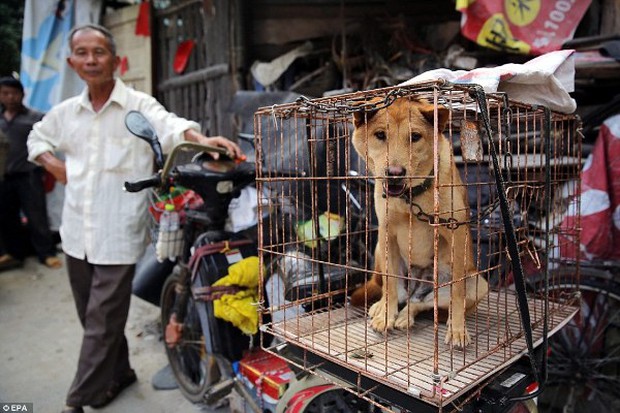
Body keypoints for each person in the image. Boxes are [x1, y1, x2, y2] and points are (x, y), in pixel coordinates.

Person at [26, 24, 244, 413]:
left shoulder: (139, 105)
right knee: (94, 320)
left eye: (99, 52)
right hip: (76, 233)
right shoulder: (65, 114)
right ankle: (121, 372)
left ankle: (78, 401)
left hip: (118, 234)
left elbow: (172, 126)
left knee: (101, 321)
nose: (91, 60)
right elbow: (36, 137)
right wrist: (53, 165)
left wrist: (202, 140)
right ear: (72, 62)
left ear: (116, 59)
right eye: (83, 53)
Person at [0, 76, 61, 270]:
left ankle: (46, 253)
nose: (10, 97)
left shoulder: (36, 117)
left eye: (14, 93)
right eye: (5, 93)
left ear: (22, 94)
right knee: (7, 217)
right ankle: (13, 253)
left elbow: (51, 140)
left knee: (37, 216)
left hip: (29, 175)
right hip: (4, 177)